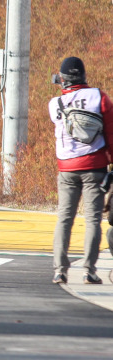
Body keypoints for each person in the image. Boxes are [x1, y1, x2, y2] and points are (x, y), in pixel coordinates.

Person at [48, 56, 113, 285]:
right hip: (95, 167)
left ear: (62, 78)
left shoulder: (55, 104)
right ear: (84, 75)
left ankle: (59, 270)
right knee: (93, 220)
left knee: (64, 218)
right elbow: (111, 134)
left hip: (66, 169)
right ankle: (89, 271)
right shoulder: (100, 98)